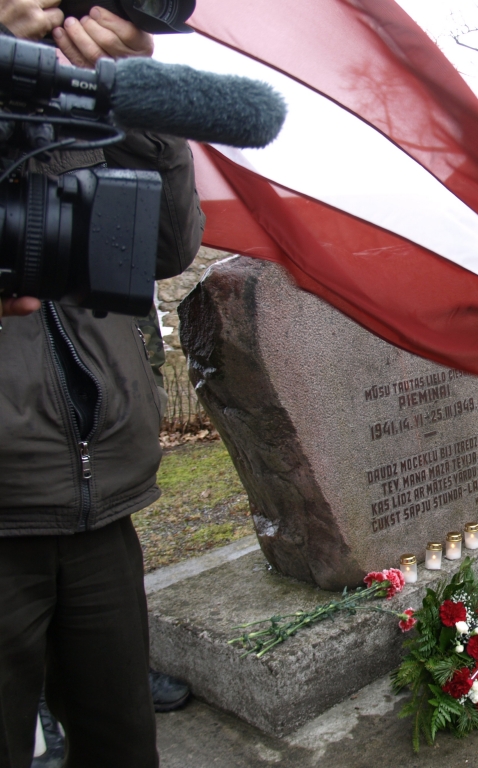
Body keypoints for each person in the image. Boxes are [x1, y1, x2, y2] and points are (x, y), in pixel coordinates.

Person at [0, 3, 205, 767]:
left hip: (101, 510)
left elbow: (166, 246)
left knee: (122, 747)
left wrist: (135, 95)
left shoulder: (76, 104)